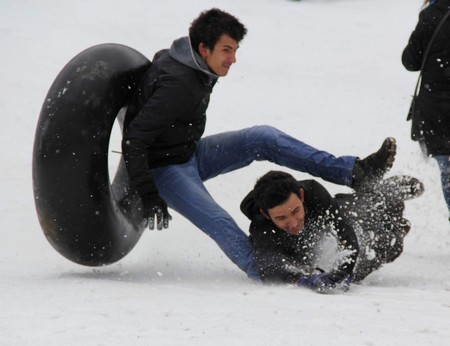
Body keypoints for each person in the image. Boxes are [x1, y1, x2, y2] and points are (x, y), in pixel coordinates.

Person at [122, 8, 396, 279]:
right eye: (227, 50)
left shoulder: (193, 64)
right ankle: (271, 270)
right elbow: (134, 139)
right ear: (204, 48)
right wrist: (148, 195)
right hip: (163, 171)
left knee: (261, 137)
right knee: (219, 221)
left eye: (235, 50)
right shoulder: (178, 83)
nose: (233, 59)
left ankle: (353, 172)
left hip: (188, 152)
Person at [240, 171, 424, 293]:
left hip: (337, 215)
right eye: (281, 218)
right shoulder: (261, 229)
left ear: (302, 196)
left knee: (360, 214)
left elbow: (344, 230)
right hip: (305, 256)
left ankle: (387, 192)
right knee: (377, 250)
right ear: (266, 214)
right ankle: (396, 231)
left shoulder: (312, 191)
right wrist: (306, 280)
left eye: (295, 211)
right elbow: (269, 266)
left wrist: (345, 270)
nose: (293, 223)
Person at [402, 0, 450, 219]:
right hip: (437, 107)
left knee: (448, 168)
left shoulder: (433, 14)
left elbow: (410, 61)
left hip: (436, 111)